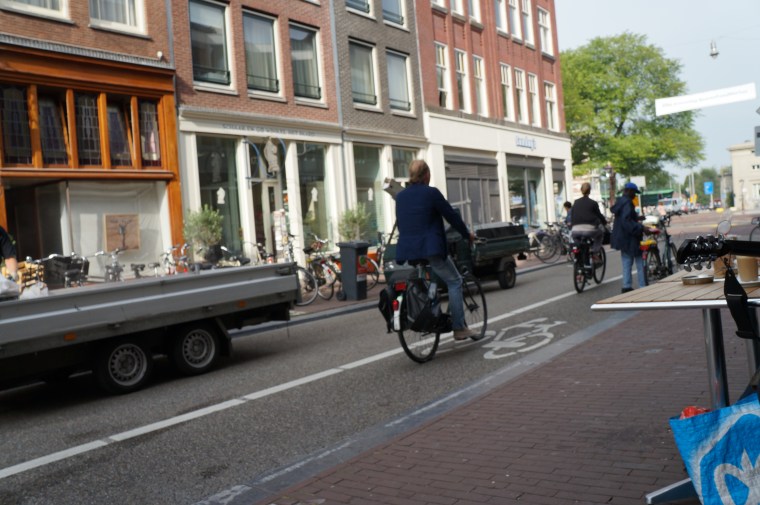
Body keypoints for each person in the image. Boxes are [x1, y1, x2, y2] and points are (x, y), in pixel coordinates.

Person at [395, 160, 477, 341]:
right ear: (426, 175)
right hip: (430, 248)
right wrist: (467, 234)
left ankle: (432, 315)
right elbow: (451, 216)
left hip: (408, 250)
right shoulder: (431, 193)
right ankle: (459, 328)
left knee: (427, 283)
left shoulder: (400, 197)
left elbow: (401, 223)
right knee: (455, 281)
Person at [611, 182, 646, 293]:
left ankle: (626, 286)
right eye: (634, 193)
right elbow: (626, 221)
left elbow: (624, 218)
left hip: (621, 237)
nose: (635, 195)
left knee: (626, 261)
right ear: (629, 191)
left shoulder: (620, 202)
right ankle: (643, 286)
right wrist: (641, 227)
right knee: (640, 261)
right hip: (630, 237)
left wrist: (637, 218)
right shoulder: (627, 202)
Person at [570, 183, 606, 259]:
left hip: (575, 229)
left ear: (581, 190)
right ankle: (595, 253)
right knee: (599, 235)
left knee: (577, 242)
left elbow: (572, 216)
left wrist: (571, 226)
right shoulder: (593, 203)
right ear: (590, 191)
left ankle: (577, 256)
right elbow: (599, 215)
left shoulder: (576, 202)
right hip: (590, 230)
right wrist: (604, 223)